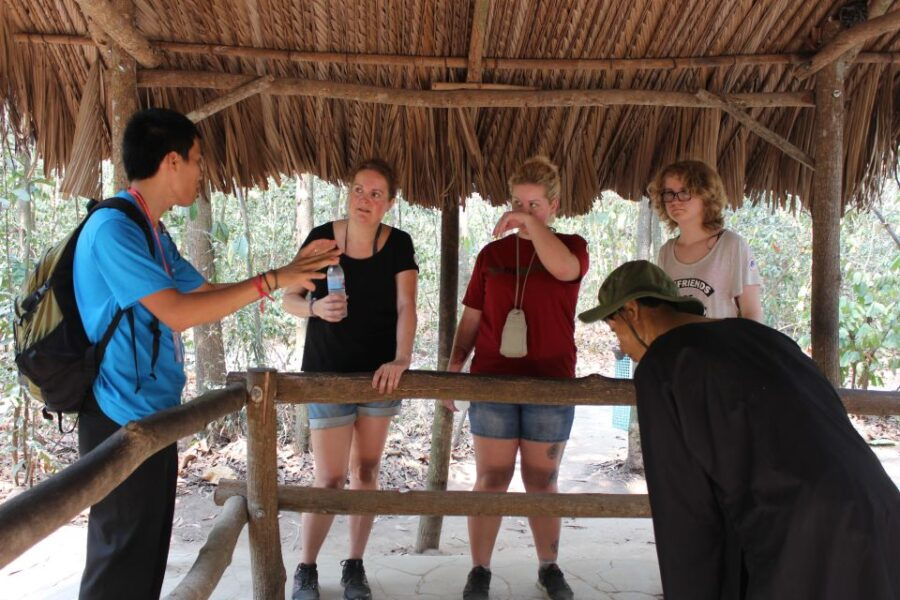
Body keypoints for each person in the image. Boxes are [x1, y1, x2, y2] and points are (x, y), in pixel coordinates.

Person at [73, 108, 339, 600]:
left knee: (146, 555)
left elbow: (209, 293)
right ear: (171, 161)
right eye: (196, 160)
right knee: (119, 558)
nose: (201, 171)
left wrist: (284, 271)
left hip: (153, 416)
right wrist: (273, 279)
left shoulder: (153, 232)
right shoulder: (114, 229)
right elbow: (176, 312)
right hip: (116, 418)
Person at [579, 260, 900, 600]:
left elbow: (685, 509)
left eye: (616, 333)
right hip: (881, 506)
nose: (624, 349)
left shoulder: (663, 364)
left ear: (632, 311)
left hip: (806, 532)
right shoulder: (767, 338)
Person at [443, 156, 589, 600]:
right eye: (519, 203)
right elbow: (471, 318)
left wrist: (529, 225)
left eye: (536, 204)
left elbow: (565, 270)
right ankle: (480, 570)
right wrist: (455, 366)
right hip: (492, 382)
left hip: (551, 382)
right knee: (492, 477)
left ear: (555, 205)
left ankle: (548, 566)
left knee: (542, 481)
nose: (525, 212)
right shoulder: (492, 255)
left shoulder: (572, 246)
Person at [283, 158, 418, 600]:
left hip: (379, 374)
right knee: (329, 478)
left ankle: (354, 565)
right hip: (327, 372)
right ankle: (306, 567)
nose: (365, 200)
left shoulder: (399, 244)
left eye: (376, 194)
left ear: (389, 204)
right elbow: (290, 298)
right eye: (359, 190)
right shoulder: (322, 241)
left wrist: (401, 359)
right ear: (348, 192)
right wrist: (315, 309)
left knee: (366, 469)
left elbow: (406, 306)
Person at [649, 160, 763, 320]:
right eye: (669, 193)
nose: (675, 200)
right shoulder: (666, 252)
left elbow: (752, 313)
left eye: (684, 192)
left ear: (706, 196)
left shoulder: (731, 245)